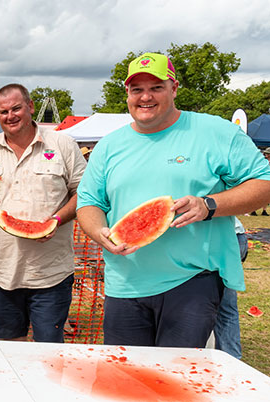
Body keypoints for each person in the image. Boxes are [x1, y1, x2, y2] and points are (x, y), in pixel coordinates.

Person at [76, 52, 270, 348]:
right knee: (126, 381)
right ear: (127, 93)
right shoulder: (109, 146)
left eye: (156, 87)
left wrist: (209, 205)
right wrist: (99, 232)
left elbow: (264, 183)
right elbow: (89, 202)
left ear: (174, 88)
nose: (145, 97)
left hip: (192, 283)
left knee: (174, 382)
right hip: (124, 284)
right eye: (137, 89)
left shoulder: (216, 132)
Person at [0, 84, 86, 343]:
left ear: (30, 107)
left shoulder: (63, 145)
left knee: (49, 353)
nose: (11, 116)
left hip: (51, 275)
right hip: (1, 273)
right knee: (7, 352)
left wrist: (56, 220)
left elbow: (84, 195)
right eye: (4, 111)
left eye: (16, 108)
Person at [213, 217, 249, 358]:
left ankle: (229, 359)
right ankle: (231, 357)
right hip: (236, 236)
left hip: (224, 239)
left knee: (225, 306)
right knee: (226, 306)